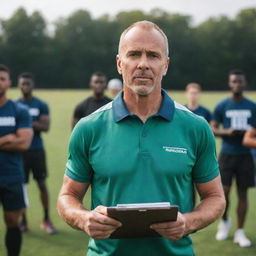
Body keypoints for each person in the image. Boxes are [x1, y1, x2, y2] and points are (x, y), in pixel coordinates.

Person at [57, 21, 225, 256]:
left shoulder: (195, 127)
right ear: (119, 63)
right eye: (134, 54)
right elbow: (68, 196)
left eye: (153, 56)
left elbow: (215, 197)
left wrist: (187, 222)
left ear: (165, 65)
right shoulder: (89, 127)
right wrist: (84, 218)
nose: (143, 64)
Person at [211, 69, 256, 247]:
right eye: (234, 81)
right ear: (230, 84)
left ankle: (240, 231)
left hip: (245, 155)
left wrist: (248, 133)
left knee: (243, 193)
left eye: (240, 81)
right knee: (224, 192)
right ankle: (225, 221)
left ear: (244, 84)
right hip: (227, 154)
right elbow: (212, 128)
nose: (237, 84)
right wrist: (226, 132)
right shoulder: (222, 106)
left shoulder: (252, 106)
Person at [17, 72, 57, 234]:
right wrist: (34, 124)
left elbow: (45, 127)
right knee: (22, 187)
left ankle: (46, 219)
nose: (25, 86)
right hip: (20, 152)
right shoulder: (14, 105)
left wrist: (25, 124)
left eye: (28, 83)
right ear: (18, 85)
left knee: (41, 184)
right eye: (23, 83)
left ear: (33, 85)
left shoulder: (40, 104)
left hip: (37, 151)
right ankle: (23, 221)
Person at [0, 64, 33, 256]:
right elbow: (15, 140)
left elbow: (24, 143)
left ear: (9, 83)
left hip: (12, 176)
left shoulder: (19, 110)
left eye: (2, 79)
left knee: (13, 222)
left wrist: (15, 140)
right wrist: (7, 138)